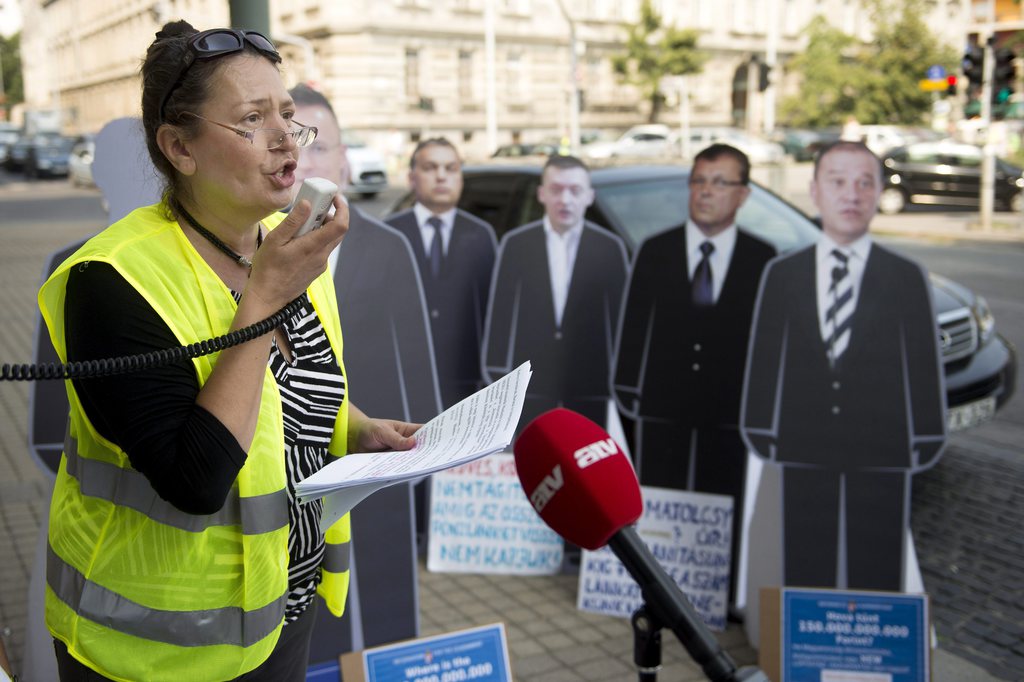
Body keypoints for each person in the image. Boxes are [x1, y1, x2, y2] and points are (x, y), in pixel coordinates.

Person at [38, 22, 418, 681]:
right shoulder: (111, 281)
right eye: (251, 119)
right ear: (179, 147)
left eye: (288, 116)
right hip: (150, 653)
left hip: (280, 615)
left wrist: (357, 429)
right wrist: (265, 296)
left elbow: (287, 393)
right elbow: (196, 479)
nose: (284, 141)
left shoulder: (280, 245)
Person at [741, 140, 947, 591]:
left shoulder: (906, 276)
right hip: (802, 451)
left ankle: (870, 657)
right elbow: (767, 357)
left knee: (877, 568)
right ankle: (805, 656)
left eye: (863, 183)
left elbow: (922, 366)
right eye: (837, 182)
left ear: (877, 194)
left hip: (882, 455)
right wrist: (759, 427)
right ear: (814, 191)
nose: (850, 195)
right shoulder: (782, 273)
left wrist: (927, 436)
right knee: (804, 564)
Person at [289, 83, 437, 651]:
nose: (304, 159)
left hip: (379, 474)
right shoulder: (241, 255)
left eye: (319, 145)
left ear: (347, 164)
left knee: (380, 622)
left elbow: (417, 369)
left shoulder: (390, 247)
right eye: (289, 142)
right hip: (289, 488)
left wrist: (424, 460)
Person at [612, 143, 775, 607]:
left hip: (729, 415)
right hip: (662, 411)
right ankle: (655, 595)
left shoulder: (764, 260)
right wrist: (629, 398)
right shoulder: (655, 251)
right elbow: (633, 330)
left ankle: (713, 600)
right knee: (659, 504)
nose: (707, 192)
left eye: (720, 182)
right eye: (699, 181)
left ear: (743, 194)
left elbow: (767, 345)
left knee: (722, 505)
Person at [482, 155, 628, 434]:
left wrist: (617, 380)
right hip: (528, 386)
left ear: (589, 197)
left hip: (590, 385)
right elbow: (502, 315)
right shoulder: (516, 245)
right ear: (541, 194)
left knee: (585, 466)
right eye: (556, 189)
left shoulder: (610, 248)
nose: (565, 199)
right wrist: (497, 375)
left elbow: (621, 321)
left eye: (574, 190)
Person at [385, 138, 497, 409]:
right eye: (430, 167)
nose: (441, 176)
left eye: (451, 168)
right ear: (412, 178)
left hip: (467, 385)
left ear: (461, 177)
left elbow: (493, 314)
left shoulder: (482, 235)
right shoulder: (389, 234)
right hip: (402, 383)